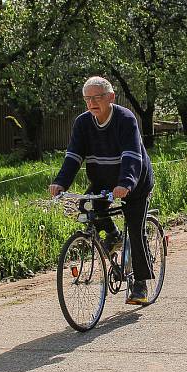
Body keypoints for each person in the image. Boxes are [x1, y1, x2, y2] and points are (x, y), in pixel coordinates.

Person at [49, 76, 155, 305]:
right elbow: (73, 156)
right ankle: (114, 236)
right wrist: (61, 183)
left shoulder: (125, 119)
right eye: (87, 98)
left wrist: (126, 183)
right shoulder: (83, 123)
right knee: (86, 207)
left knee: (135, 229)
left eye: (97, 97)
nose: (91, 103)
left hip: (135, 181)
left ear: (110, 97)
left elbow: (131, 155)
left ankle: (140, 284)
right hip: (103, 180)